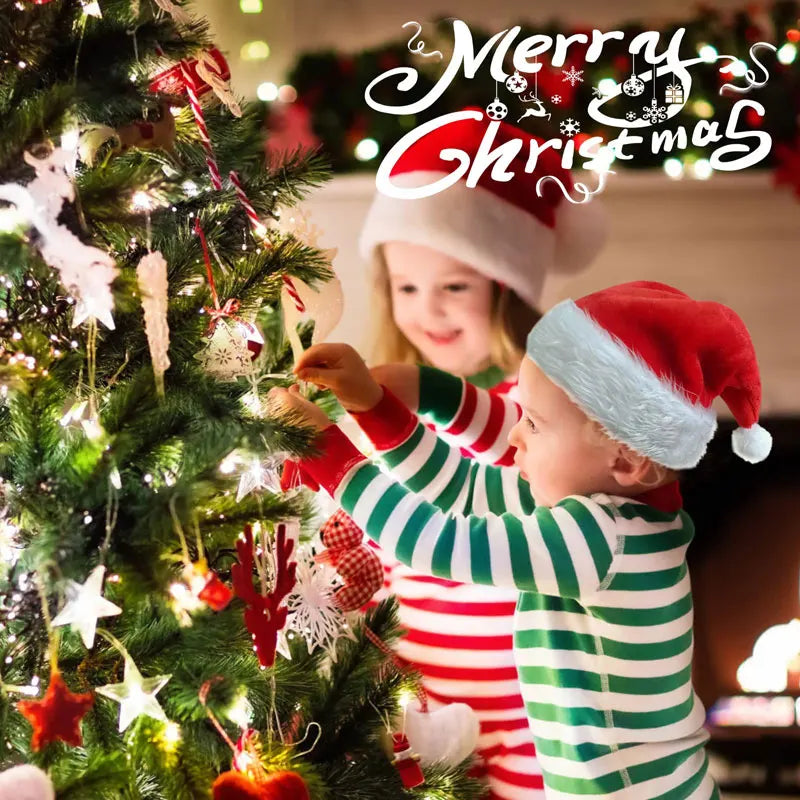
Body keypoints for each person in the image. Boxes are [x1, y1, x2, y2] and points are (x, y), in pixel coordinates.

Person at [270, 280, 772, 799]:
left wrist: (330, 456)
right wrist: (375, 408)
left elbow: (437, 541)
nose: (513, 437)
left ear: (626, 460)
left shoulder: (600, 541)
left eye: (533, 422)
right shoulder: (614, 513)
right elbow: (464, 490)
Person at [354, 110, 606, 799]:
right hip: (425, 705)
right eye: (406, 287)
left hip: (528, 706)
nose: (426, 310)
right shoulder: (390, 415)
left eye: (454, 286)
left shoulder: (541, 406)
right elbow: (380, 547)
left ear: (506, 287)